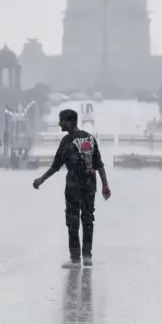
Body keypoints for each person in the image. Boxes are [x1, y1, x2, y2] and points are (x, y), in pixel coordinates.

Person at [33, 109, 111, 268]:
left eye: (62, 121)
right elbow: (99, 165)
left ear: (71, 122)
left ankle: (75, 259)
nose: (59, 124)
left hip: (74, 184)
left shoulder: (67, 141)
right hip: (90, 183)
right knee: (88, 218)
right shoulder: (90, 138)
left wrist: (41, 179)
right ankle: (87, 256)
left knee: (73, 219)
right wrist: (105, 184)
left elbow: (56, 166)